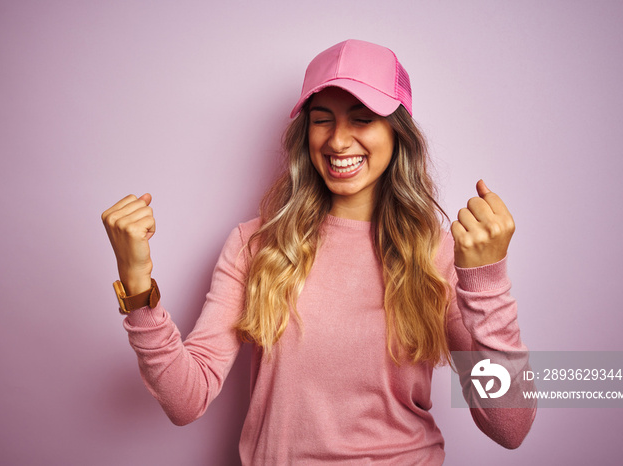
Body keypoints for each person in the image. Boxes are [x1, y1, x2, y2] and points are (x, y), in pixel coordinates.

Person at [101, 39, 536, 464]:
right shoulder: (256, 246)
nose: (338, 141)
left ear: (396, 132)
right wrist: (137, 287)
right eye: (322, 119)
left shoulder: (435, 254)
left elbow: (509, 427)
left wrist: (488, 280)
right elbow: (186, 400)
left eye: (362, 119)